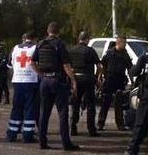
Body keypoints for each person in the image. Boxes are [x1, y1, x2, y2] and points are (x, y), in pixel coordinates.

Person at [31, 22, 80, 151]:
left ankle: (42, 142)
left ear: (48, 31)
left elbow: (32, 62)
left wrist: (41, 75)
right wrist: (73, 80)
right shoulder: (59, 44)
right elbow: (66, 65)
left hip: (45, 81)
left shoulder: (40, 44)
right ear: (58, 32)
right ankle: (66, 144)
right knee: (63, 113)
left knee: (44, 113)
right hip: (58, 81)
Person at [6, 32, 39, 143]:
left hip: (17, 81)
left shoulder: (15, 48)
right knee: (30, 108)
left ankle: (11, 134)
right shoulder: (36, 48)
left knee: (17, 107)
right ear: (34, 39)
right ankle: (28, 135)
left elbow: (10, 65)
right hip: (31, 81)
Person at [68, 31, 102, 137]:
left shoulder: (71, 50)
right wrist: (96, 78)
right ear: (87, 39)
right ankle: (91, 129)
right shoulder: (90, 50)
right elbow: (100, 66)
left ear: (79, 39)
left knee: (75, 104)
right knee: (91, 105)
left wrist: (71, 79)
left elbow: (67, 65)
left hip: (75, 79)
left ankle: (73, 128)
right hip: (88, 79)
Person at [97, 35, 132, 131]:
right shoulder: (109, 53)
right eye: (124, 43)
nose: (125, 45)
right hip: (109, 80)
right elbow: (102, 66)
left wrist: (132, 81)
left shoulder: (125, 55)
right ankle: (100, 123)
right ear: (119, 43)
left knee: (119, 104)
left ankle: (120, 124)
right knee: (106, 102)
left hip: (120, 80)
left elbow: (129, 68)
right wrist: (99, 78)